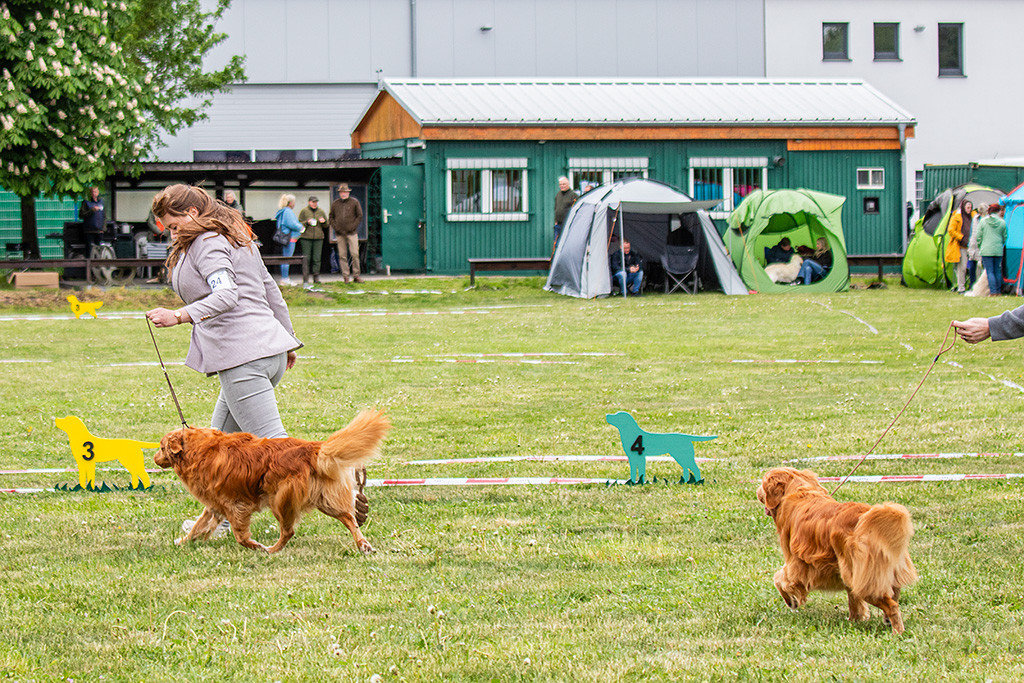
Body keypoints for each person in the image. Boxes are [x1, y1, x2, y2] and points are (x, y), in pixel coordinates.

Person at [144, 184, 303, 535]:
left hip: (242, 357)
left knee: (279, 451)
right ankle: (212, 523)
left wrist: (180, 315)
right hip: (267, 351)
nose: (171, 233)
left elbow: (227, 294)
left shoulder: (207, 243)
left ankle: (345, 483)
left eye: (173, 225)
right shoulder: (235, 236)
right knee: (216, 451)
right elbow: (270, 289)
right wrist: (287, 341)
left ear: (192, 214)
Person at [329, 183, 364, 283]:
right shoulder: (335, 204)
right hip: (340, 233)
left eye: (345, 192)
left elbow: (359, 216)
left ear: (348, 192)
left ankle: (356, 275)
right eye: (341, 192)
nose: (343, 194)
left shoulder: (354, 202)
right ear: (339, 193)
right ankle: (346, 276)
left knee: (355, 254)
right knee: (342, 255)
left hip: (352, 233)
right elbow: (331, 217)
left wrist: (352, 227)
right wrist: (336, 227)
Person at [976, 203, 1007, 297]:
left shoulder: (983, 221)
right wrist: (1000, 244)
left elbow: (978, 236)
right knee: (997, 270)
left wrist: (981, 245)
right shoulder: (1002, 222)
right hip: (998, 250)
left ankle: (993, 292)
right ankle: (998, 291)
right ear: (998, 211)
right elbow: (1005, 237)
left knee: (990, 271)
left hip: (986, 250)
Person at [296, 195, 327, 287]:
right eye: (313, 202)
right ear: (309, 202)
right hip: (306, 237)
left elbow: (326, 225)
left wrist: (324, 222)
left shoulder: (321, 211)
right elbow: (299, 223)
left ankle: (316, 277)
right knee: (307, 258)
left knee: (317, 258)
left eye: (316, 202)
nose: (314, 204)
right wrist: (307, 222)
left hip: (318, 237)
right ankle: (306, 277)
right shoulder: (304, 211)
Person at [274, 194, 304, 286]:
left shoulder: (282, 211)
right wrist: (301, 227)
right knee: (287, 258)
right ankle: (285, 279)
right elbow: (292, 224)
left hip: (286, 237)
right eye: (294, 202)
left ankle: (285, 278)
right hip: (290, 238)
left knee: (285, 258)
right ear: (290, 203)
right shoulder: (288, 212)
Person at [946, 199, 973, 293]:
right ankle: (961, 287)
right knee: (962, 267)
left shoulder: (972, 217)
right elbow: (951, 230)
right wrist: (961, 237)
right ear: (963, 207)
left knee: (974, 267)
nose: (969, 209)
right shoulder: (956, 217)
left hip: (971, 245)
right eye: (967, 207)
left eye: (970, 207)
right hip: (960, 246)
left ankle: (971, 285)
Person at [553, 176, 578, 251]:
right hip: (558, 224)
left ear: (568, 184)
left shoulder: (573, 195)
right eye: (560, 184)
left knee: (566, 244)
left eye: (564, 184)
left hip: (568, 224)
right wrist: (555, 220)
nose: (562, 186)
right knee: (557, 244)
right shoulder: (558, 195)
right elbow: (556, 208)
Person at [78, 186, 105, 253]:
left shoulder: (101, 202)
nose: (94, 193)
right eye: (92, 192)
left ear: (98, 192)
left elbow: (104, 216)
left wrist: (104, 228)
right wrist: (91, 210)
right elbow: (81, 215)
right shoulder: (86, 202)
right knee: (90, 249)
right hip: (89, 230)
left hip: (99, 231)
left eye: (95, 192)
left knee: (99, 250)